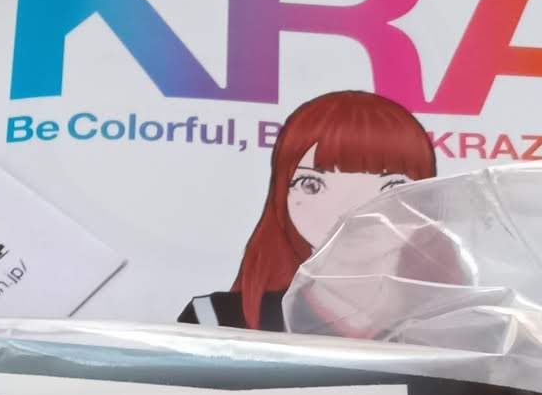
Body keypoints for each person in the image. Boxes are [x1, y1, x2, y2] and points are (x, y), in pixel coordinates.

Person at [181, 90, 435, 333]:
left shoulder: (447, 331)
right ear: (283, 194)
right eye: (312, 185)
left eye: (392, 187)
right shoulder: (216, 321)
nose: (350, 210)